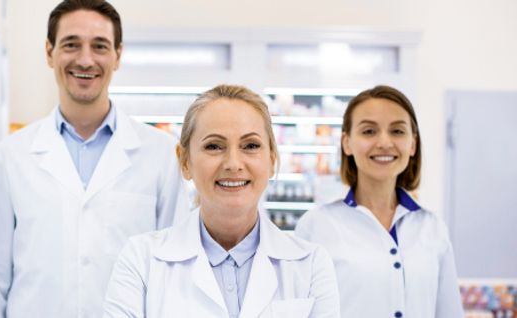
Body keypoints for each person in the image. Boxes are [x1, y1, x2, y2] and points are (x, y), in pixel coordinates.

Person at [0, 0, 190, 316]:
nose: (85, 60)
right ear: (49, 52)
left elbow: (175, 273)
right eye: (72, 45)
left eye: (99, 46)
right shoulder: (10, 157)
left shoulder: (160, 154)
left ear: (117, 56)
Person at [103, 84, 340, 317]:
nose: (233, 163)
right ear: (185, 162)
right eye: (214, 146)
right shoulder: (141, 261)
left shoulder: (311, 265)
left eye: (251, 146)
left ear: (271, 159)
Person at [294, 85, 464, 318]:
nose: (384, 142)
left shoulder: (432, 227)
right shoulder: (315, 226)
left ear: (412, 144)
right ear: (347, 143)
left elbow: (449, 313)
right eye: (369, 131)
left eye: (397, 131)